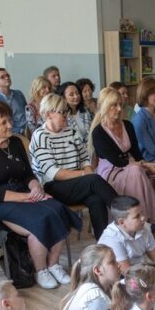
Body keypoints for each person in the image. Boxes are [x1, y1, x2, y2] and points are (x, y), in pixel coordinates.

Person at [0, 100, 78, 290]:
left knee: (57, 209)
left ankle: (53, 264)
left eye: (9, 120)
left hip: (23, 191)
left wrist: (35, 186)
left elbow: (27, 173)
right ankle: (40, 270)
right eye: (3, 123)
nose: (10, 125)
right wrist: (26, 197)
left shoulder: (15, 142)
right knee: (38, 220)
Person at [29, 94, 117, 239]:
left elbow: (84, 159)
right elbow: (53, 173)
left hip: (76, 184)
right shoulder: (40, 136)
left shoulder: (72, 132)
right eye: (61, 112)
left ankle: (104, 243)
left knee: (96, 199)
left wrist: (86, 170)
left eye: (66, 111)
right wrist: (85, 175)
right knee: (94, 180)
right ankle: (125, 214)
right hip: (52, 187)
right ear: (48, 114)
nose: (65, 115)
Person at [91, 87, 155, 225]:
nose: (119, 109)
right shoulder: (98, 132)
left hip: (131, 166)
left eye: (120, 105)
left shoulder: (128, 125)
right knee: (137, 170)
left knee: (136, 171)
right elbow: (116, 161)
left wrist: (144, 164)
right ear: (105, 106)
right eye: (114, 105)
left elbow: (136, 153)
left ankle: (139, 219)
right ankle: (142, 219)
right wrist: (145, 165)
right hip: (110, 172)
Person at [59, 244, 121, 310]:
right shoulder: (96, 298)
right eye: (112, 262)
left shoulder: (97, 285)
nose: (119, 264)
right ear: (97, 270)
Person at [0, 68, 28, 135]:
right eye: (2, 77)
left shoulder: (18, 93)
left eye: (7, 75)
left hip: (27, 130)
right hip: (12, 133)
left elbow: (27, 112)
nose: (7, 78)